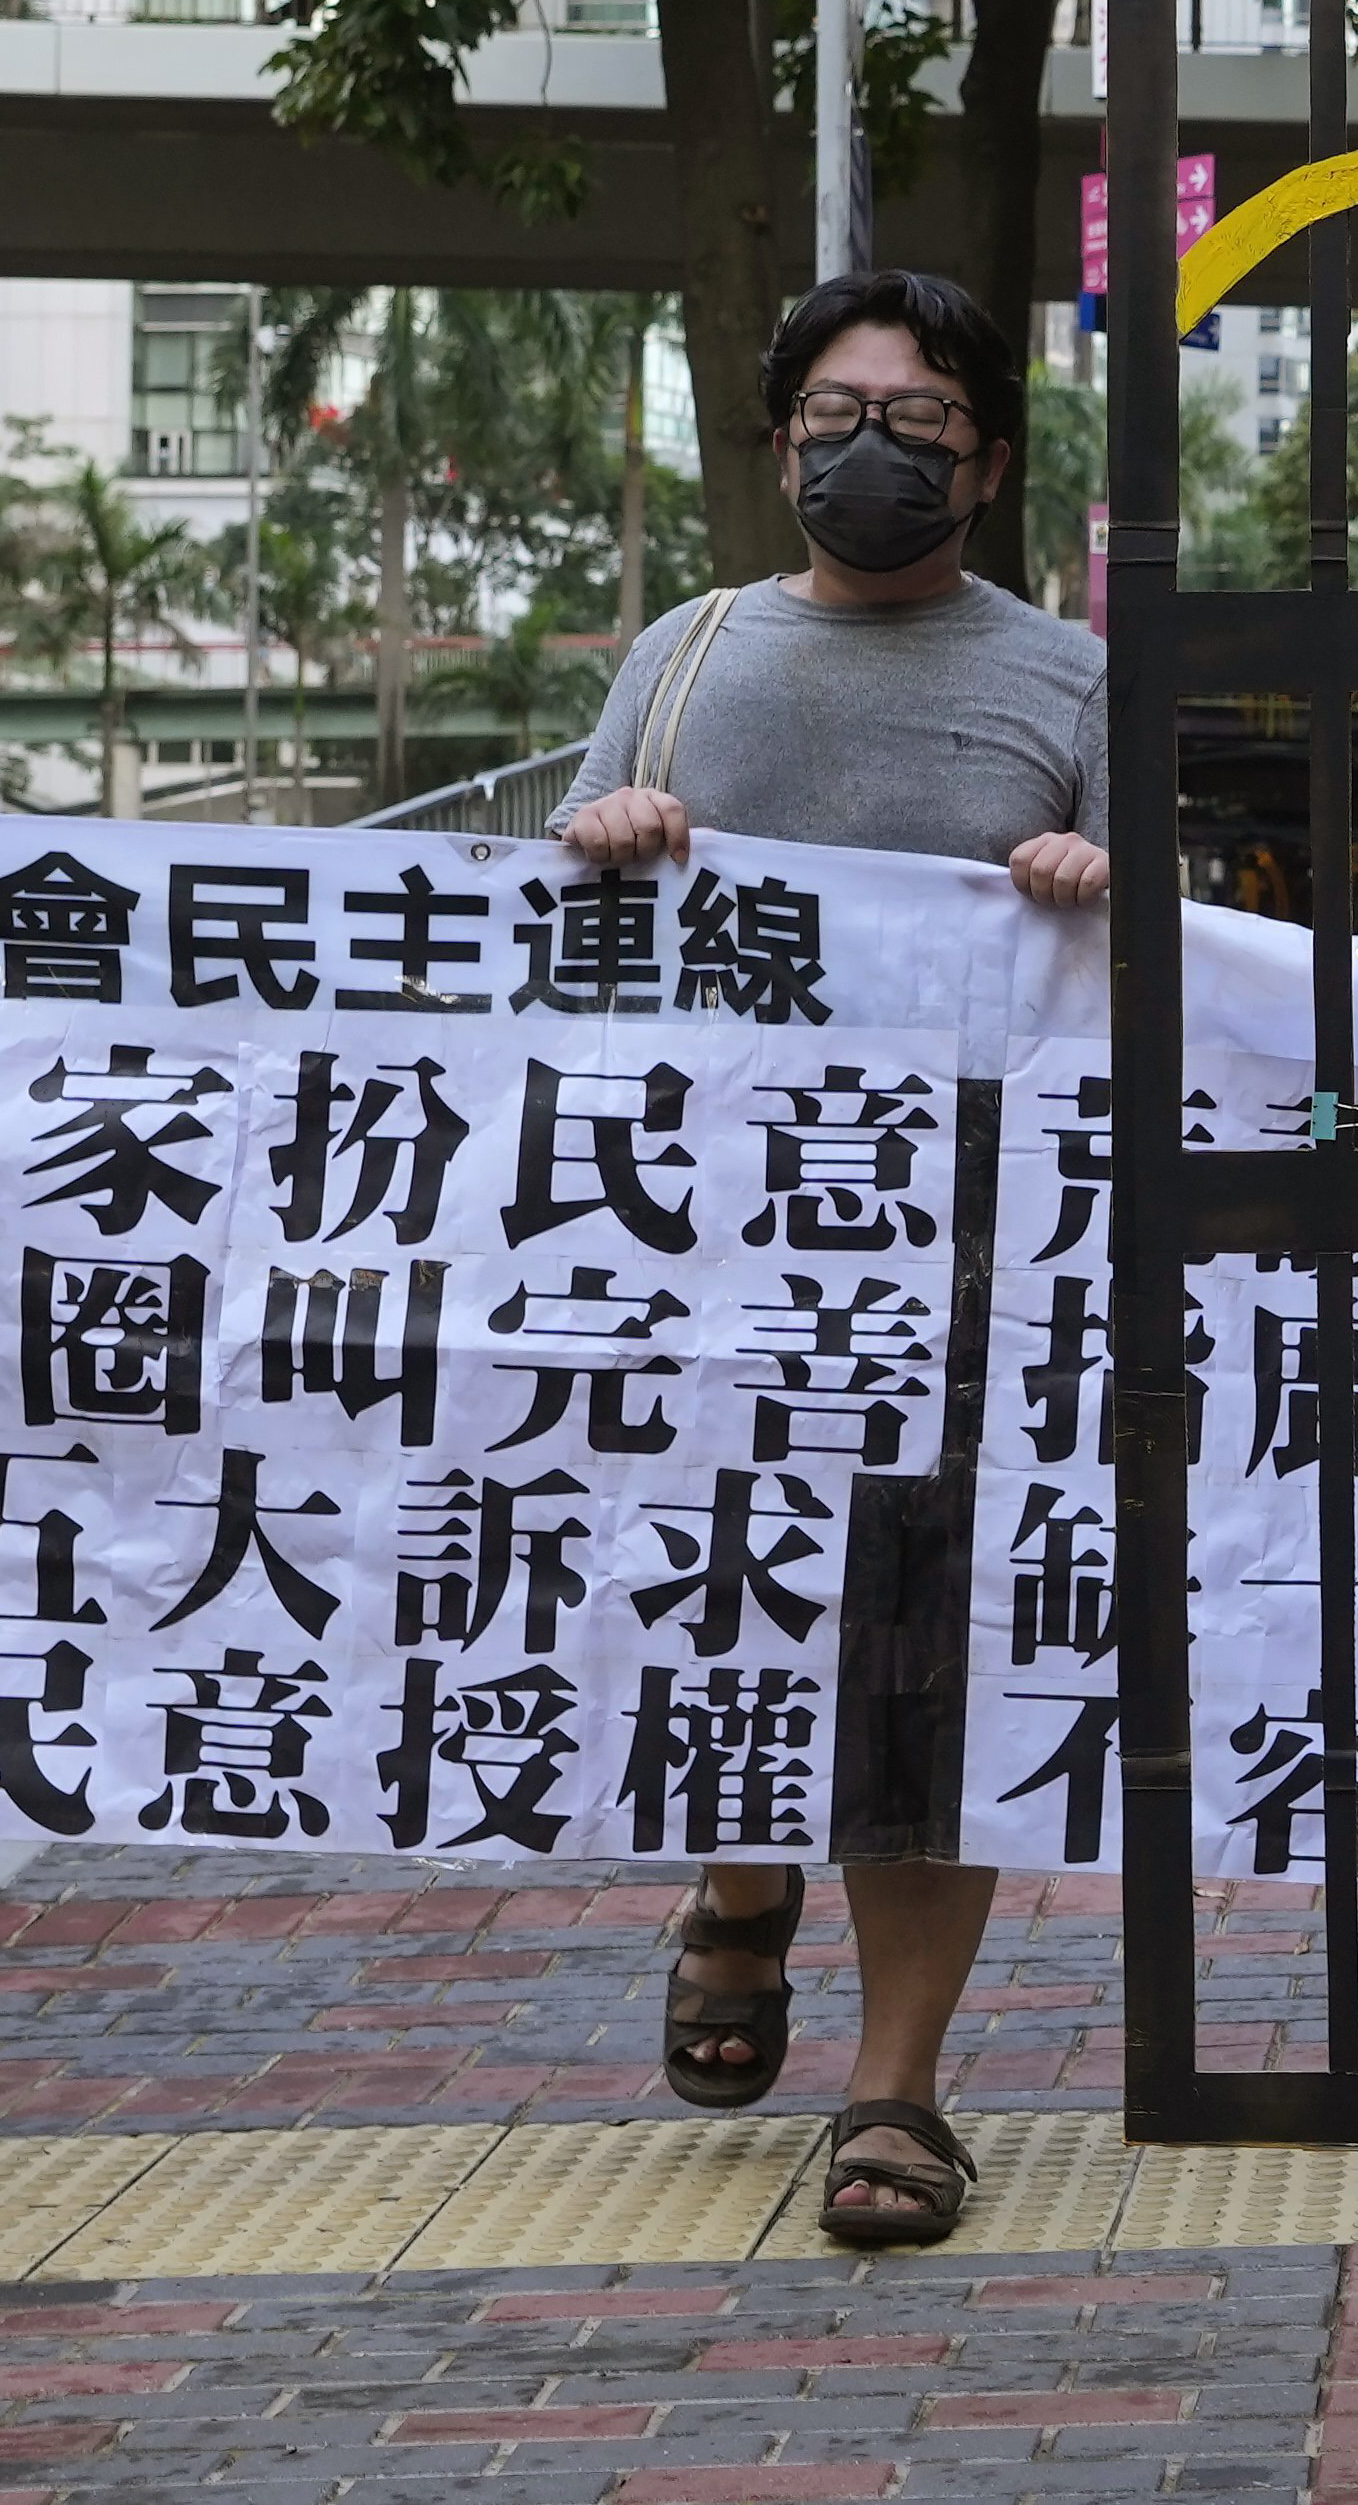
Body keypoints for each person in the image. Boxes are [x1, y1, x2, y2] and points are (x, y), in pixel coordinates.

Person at [561, 266, 1111, 2254]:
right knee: (732, 1606)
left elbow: (1155, 969)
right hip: (705, 1238)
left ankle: (899, 2087)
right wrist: (605, 830)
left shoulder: (1064, 678)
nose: (876, 448)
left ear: (983, 453)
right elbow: (561, 915)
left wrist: (1089, 890)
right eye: (841, 413)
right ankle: (737, 1884)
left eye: (922, 419)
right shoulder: (690, 651)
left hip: (968, 1253)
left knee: (916, 1663)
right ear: (782, 435)